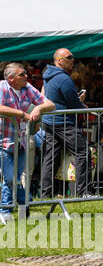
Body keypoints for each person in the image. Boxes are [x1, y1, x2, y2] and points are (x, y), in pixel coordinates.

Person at [0, 63, 55, 215]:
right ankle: (11, 208)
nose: (26, 76)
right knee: (11, 178)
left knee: (15, 178)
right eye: (22, 74)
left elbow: (50, 104)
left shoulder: (28, 88)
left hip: (21, 141)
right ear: (11, 78)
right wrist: (21, 114)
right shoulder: (2, 87)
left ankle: (20, 209)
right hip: (2, 141)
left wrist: (37, 108)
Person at [39, 48, 92, 199]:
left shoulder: (48, 75)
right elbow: (72, 103)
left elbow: (59, 98)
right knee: (83, 152)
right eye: (69, 57)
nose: (73, 60)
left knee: (50, 157)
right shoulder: (64, 78)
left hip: (51, 120)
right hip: (64, 122)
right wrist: (82, 105)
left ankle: (45, 194)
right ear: (59, 60)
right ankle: (83, 192)